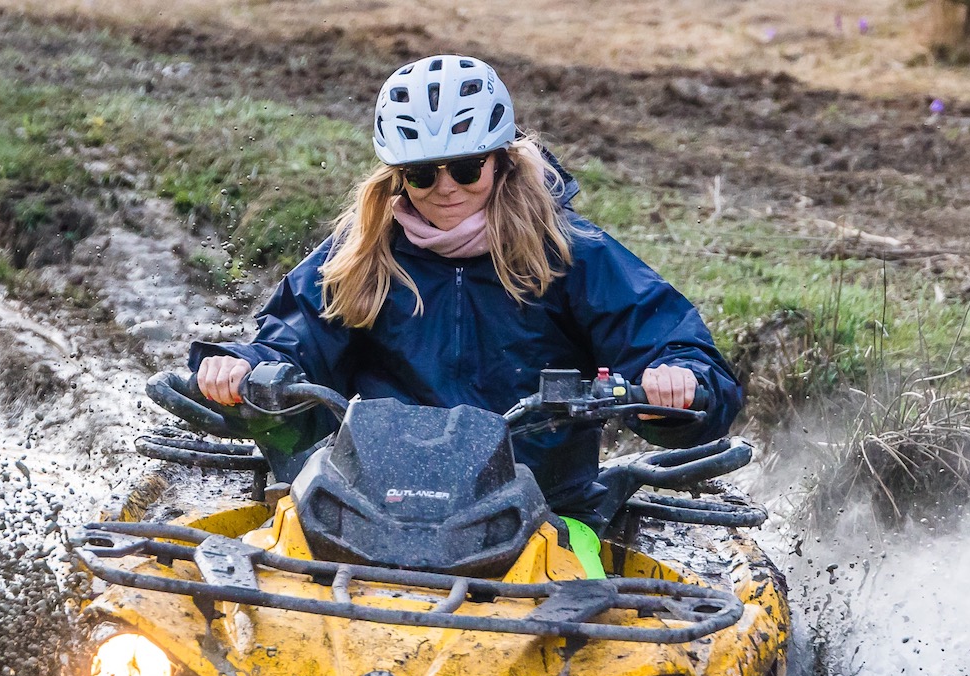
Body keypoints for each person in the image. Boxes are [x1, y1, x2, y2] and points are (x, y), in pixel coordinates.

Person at [189, 53, 743, 569]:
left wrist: (679, 382)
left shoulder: (573, 255)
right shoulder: (360, 254)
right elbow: (292, 336)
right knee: (263, 598)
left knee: (596, 632)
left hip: (544, 515)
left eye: (465, 168)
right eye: (423, 174)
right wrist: (244, 365)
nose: (444, 188)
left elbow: (676, 347)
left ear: (500, 162)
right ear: (397, 176)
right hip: (361, 506)